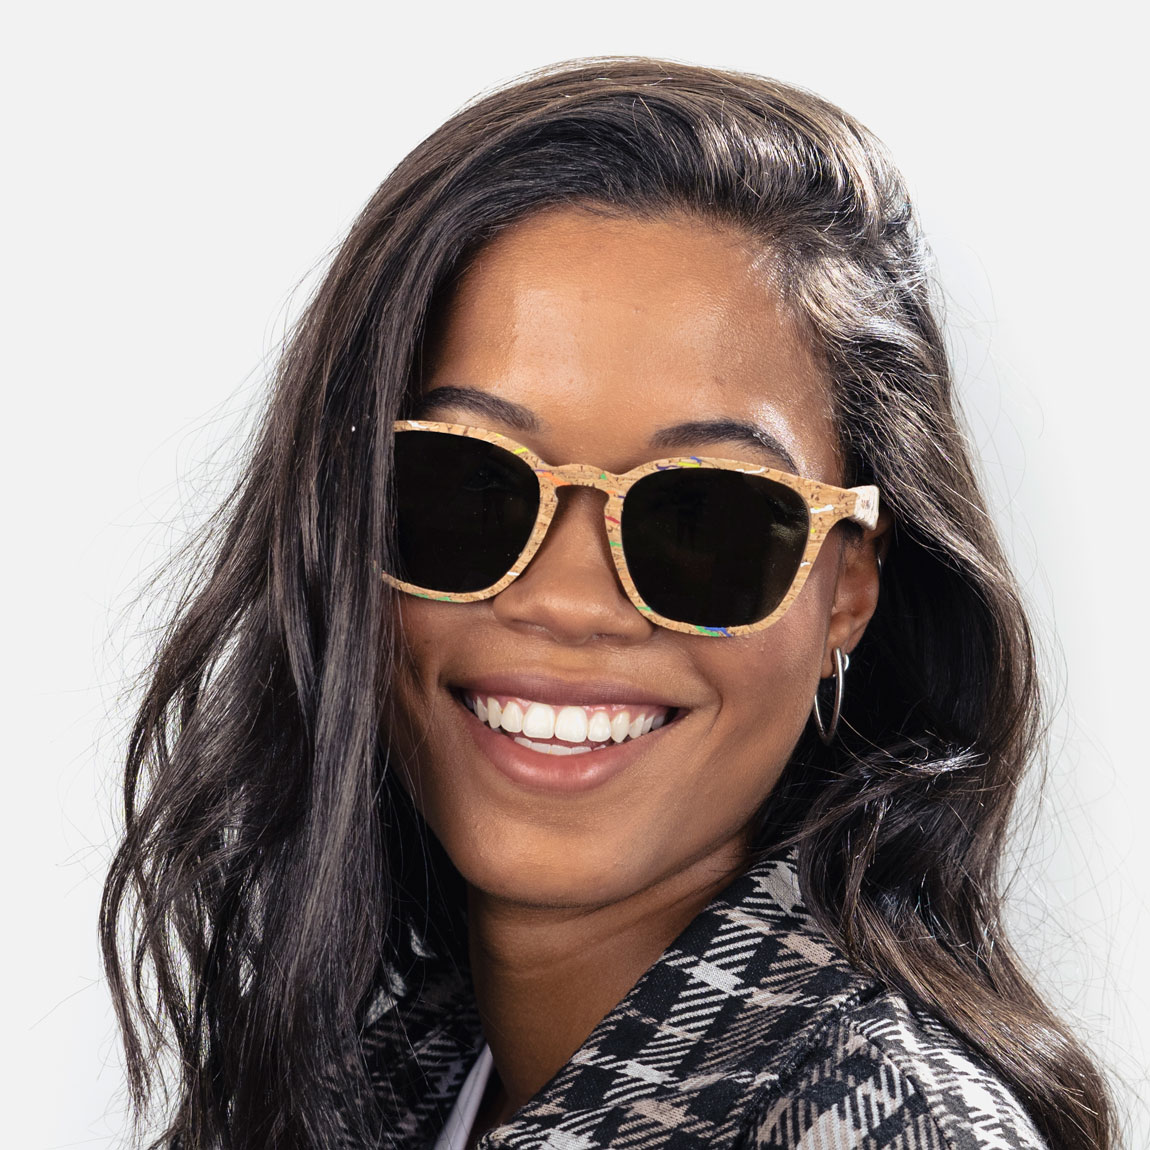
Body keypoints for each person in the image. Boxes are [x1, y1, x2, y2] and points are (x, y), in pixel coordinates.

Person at [100, 58, 1117, 1150]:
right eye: (469, 487)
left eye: (707, 517)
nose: (569, 600)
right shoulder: (363, 1082)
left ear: (847, 591)